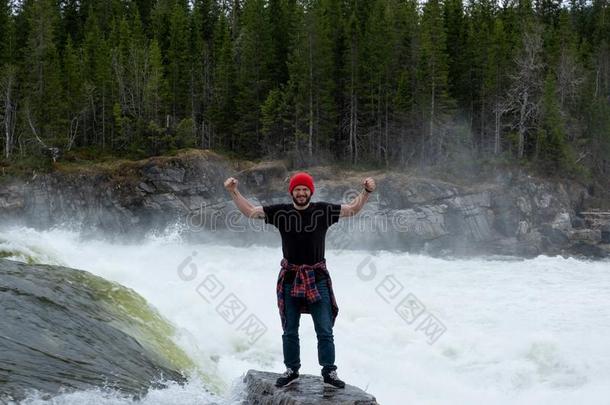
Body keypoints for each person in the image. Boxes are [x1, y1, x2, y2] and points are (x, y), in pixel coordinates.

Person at [224, 171, 376, 389]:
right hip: (290, 277)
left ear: (310, 191)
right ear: (292, 192)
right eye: (298, 189)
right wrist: (233, 191)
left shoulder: (323, 210)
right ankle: (292, 369)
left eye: (305, 189)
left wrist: (366, 191)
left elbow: (351, 210)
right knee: (289, 329)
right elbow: (250, 211)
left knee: (324, 329)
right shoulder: (281, 212)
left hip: (318, 277)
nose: (302, 193)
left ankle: (329, 371)